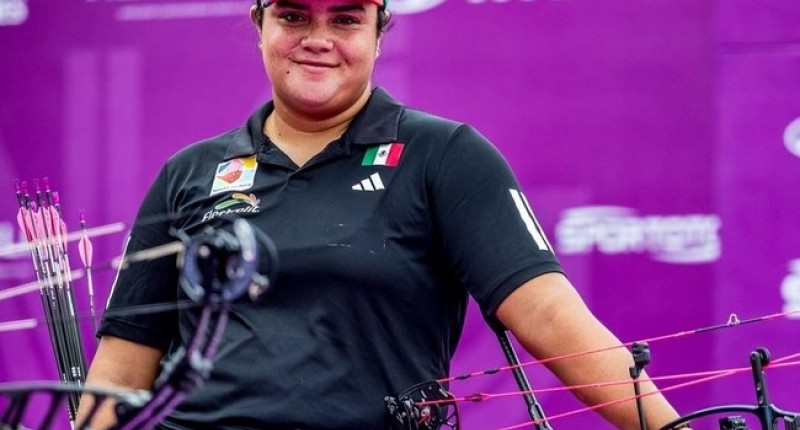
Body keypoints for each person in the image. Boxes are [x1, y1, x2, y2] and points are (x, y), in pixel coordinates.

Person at [79, 0, 689, 428]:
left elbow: (551, 315)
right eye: (293, 16)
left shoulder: (445, 154)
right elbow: (124, 365)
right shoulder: (188, 171)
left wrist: (669, 429)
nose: (318, 38)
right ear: (259, 25)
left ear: (378, 33)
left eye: (346, 19)